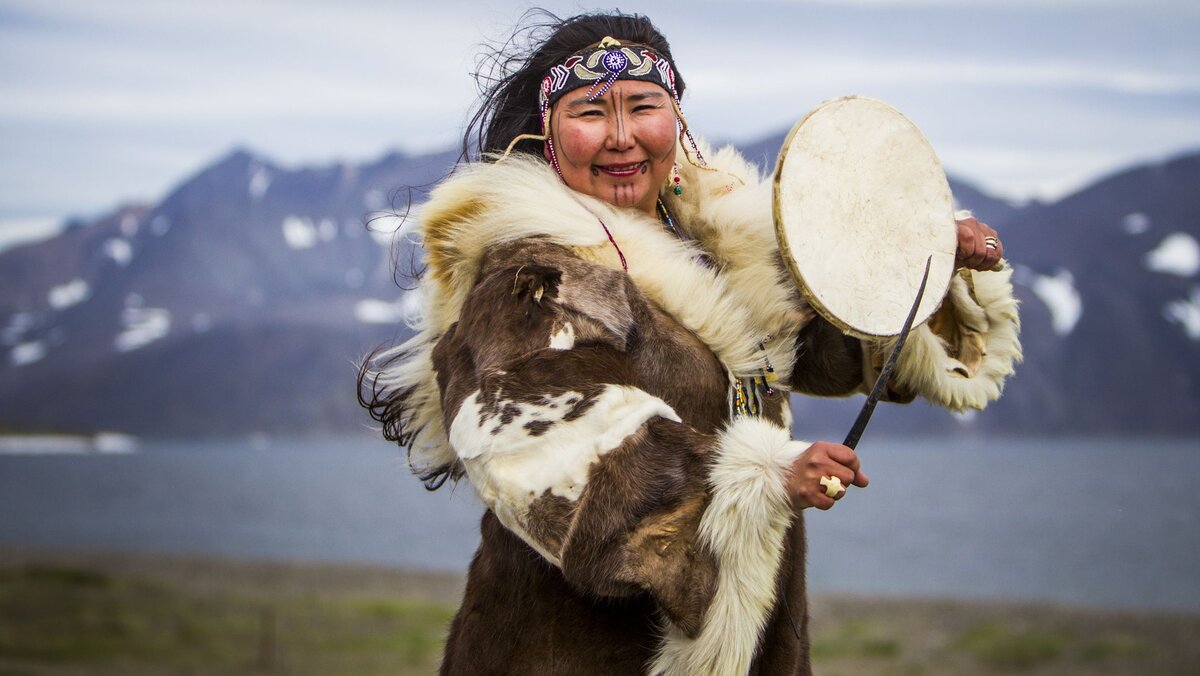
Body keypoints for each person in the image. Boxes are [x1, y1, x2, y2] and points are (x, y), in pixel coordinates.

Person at [360, 10, 1020, 675]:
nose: (622, 137)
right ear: (548, 135)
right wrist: (756, 478)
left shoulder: (716, 242)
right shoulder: (533, 275)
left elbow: (826, 346)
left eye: (643, 106)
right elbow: (541, 447)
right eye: (590, 112)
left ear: (674, 118)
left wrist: (923, 257)